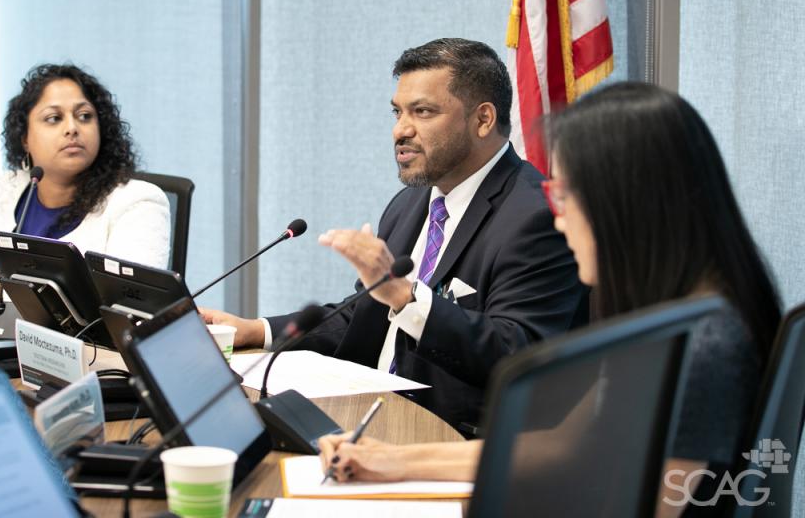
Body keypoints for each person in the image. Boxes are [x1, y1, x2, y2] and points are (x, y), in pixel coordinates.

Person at [316, 83, 781, 514]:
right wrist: (396, 461)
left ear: (625, 204)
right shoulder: (675, 314)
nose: (557, 221)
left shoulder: (703, 346)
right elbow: (564, 443)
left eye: (564, 197)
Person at [203, 38, 586, 432]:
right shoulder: (411, 203)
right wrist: (256, 329)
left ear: (483, 119)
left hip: (448, 437)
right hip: (368, 417)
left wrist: (407, 298)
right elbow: (363, 315)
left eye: (422, 112)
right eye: (397, 112)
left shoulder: (535, 216)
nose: (400, 131)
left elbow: (519, 353)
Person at [0, 63, 171, 298]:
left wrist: (8, 290)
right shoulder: (2, 191)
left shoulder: (139, 203)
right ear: (25, 138)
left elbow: (126, 305)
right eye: (53, 118)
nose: (72, 128)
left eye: (85, 116)